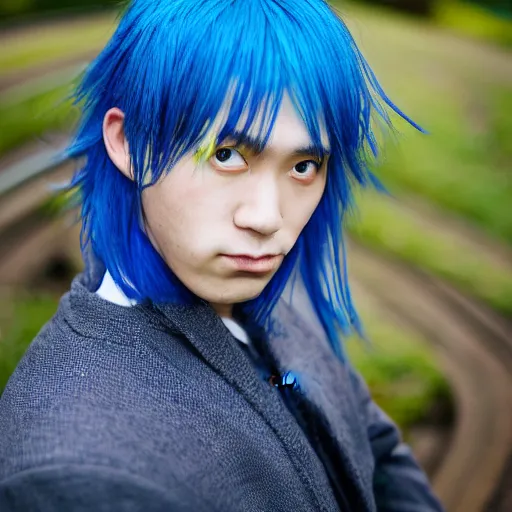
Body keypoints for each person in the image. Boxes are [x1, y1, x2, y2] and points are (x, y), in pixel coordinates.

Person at [0, 0, 444, 510]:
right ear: (128, 142)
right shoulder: (81, 476)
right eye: (227, 155)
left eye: (303, 166)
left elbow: (375, 451)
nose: (267, 218)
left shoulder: (270, 304)